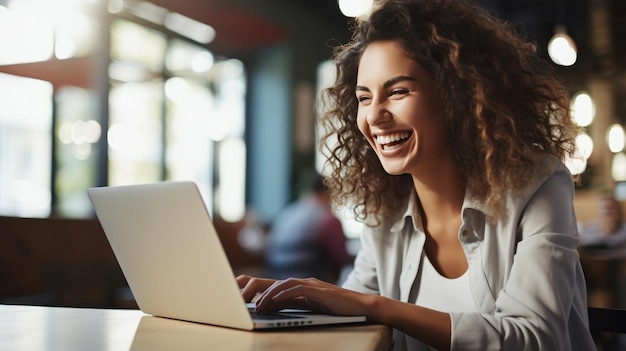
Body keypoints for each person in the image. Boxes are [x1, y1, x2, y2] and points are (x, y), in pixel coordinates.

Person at [237, 0, 596, 350]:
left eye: (397, 92)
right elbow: (353, 308)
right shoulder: (385, 207)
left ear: (457, 95)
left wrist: (378, 307)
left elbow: (536, 338)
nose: (374, 116)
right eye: (364, 98)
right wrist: (291, 300)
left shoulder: (539, 185)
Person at [264, 172, 351, 283]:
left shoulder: (287, 213)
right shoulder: (328, 218)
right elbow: (341, 258)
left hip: (276, 283)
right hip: (309, 286)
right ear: (330, 193)